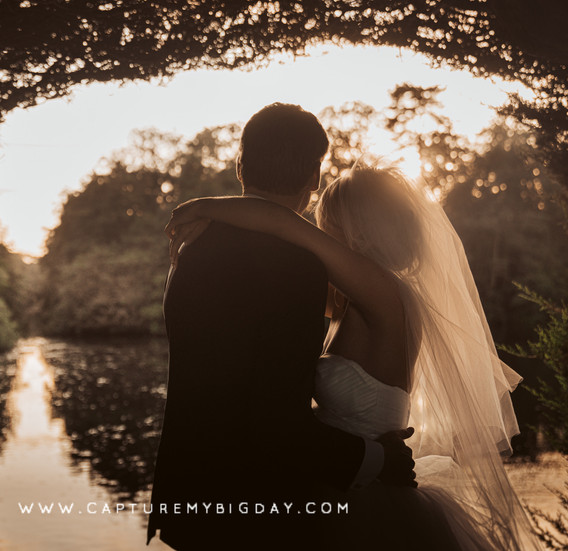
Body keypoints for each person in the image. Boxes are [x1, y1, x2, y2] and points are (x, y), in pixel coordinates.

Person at [164, 161, 544, 550]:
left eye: (327, 224)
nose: (320, 232)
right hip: (340, 477)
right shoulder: (354, 296)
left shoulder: (384, 290)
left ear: (355, 230)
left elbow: (285, 225)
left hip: (363, 498)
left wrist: (203, 207)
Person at [146, 103, 418, 550]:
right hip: (263, 515)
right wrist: (375, 458)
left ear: (239, 165)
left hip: (193, 500)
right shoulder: (298, 268)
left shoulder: (190, 250)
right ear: (313, 180)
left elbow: (228, 390)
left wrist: (206, 205)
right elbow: (270, 416)